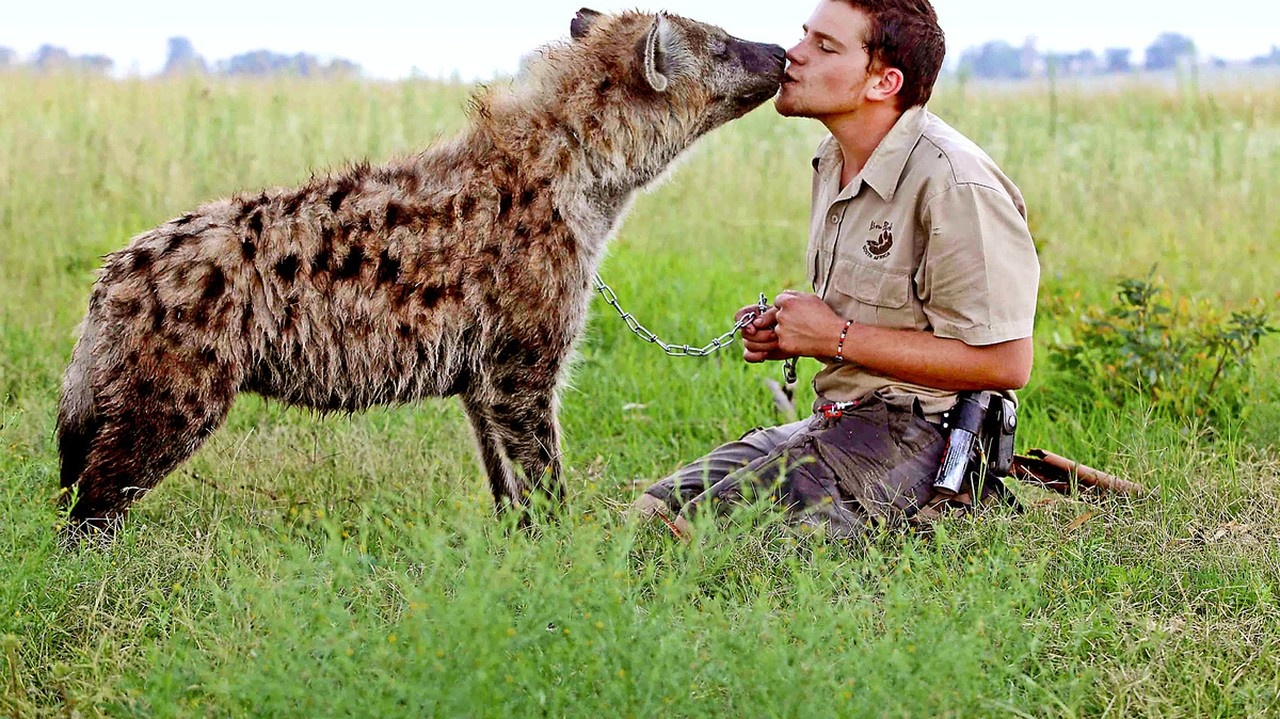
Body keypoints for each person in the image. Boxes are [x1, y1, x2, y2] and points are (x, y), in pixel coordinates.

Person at [632, 0, 1040, 538]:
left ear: (882, 82)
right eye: (805, 36)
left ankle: (954, 512)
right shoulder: (835, 158)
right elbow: (879, 319)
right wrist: (795, 332)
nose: (792, 55)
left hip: (924, 433)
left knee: (700, 538)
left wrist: (836, 336)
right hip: (844, 416)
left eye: (824, 47)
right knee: (653, 517)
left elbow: (1006, 364)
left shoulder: (954, 185)